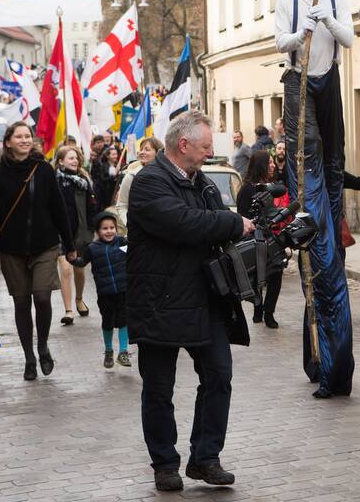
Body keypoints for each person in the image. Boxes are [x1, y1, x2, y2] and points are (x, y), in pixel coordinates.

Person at [127, 110, 256, 492]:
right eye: (204, 147)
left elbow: (214, 223)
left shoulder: (204, 182)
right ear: (183, 145)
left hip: (205, 299)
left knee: (219, 376)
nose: (208, 154)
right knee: (158, 390)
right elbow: (184, 223)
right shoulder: (149, 182)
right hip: (159, 303)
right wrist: (233, 223)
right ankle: (165, 463)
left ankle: (206, 458)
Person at [274, 0, 355, 398]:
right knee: (308, 162)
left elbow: (349, 38)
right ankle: (319, 356)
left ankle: (331, 196)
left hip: (330, 83)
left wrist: (324, 17)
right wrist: (299, 29)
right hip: (299, 81)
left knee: (333, 158)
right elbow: (279, 44)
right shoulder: (286, 5)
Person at [0, 121, 76, 381]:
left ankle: (43, 346)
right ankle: (29, 357)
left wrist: (69, 244)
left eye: (28, 136)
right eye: (19, 137)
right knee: (21, 302)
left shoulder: (43, 170)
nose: (25, 140)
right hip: (12, 249)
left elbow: (58, 208)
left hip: (45, 245)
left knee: (41, 297)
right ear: (8, 142)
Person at [235, 148, 288, 329]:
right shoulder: (247, 189)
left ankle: (269, 311)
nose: (273, 165)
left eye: (273, 162)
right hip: (253, 240)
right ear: (261, 166)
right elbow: (242, 216)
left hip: (269, 238)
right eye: (270, 162)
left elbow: (279, 196)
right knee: (257, 274)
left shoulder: (267, 187)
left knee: (276, 272)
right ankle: (258, 306)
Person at [53, 145, 96, 324]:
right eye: (70, 158)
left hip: (81, 233)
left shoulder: (84, 181)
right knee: (65, 269)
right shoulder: (54, 181)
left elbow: (92, 207)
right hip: (61, 233)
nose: (75, 160)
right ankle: (68, 310)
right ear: (61, 161)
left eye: (76, 158)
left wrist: (92, 229)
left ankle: (79, 299)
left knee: (79, 270)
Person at [87, 212, 131, 369]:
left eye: (112, 227)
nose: (109, 231)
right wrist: (72, 258)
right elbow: (80, 262)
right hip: (105, 294)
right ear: (98, 231)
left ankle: (124, 352)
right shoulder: (92, 248)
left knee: (124, 321)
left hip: (124, 290)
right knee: (108, 323)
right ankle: (108, 350)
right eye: (105, 228)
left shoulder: (122, 242)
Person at [115, 137, 164, 223]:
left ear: (158, 152)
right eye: (141, 149)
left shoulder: (167, 174)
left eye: (147, 149)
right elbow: (122, 205)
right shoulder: (131, 176)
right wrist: (129, 225)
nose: (142, 152)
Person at [95, 146, 122, 211]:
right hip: (105, 194)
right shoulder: (103, 166)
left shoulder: (117, 165)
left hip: (114, 192)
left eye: (116, 154)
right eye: (113, 154)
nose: (115, 156)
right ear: (108, 156)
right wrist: (114, 176)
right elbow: (102, 179)